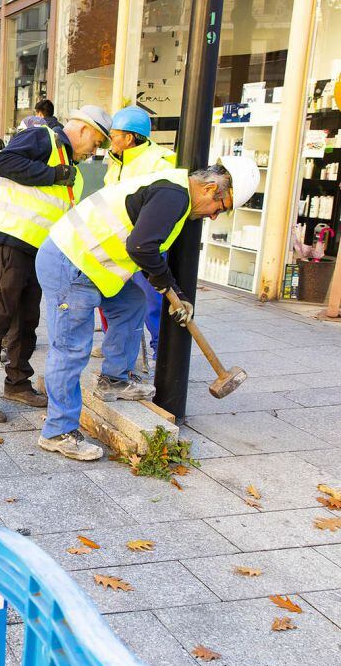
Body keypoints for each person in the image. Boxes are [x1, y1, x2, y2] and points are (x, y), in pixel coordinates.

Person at [34, 155, 259, 460]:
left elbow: (150, 251)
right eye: (221, 207)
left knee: (131, 303)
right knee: (71, 349)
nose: (215, 216)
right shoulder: (173, 195)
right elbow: (141, 247)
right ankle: (57, 431)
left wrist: (177, 294)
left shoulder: (176, 194)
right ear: (210, 189)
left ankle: (114, 378)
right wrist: (169, 288)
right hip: (70, 263)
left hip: (93, 265)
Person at [0, 106, 112, 423]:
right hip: (7, 240)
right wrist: (52, 175)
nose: (95, 150)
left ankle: (17, 382)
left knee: (26, 320)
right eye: (96, 142)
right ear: (83, 129)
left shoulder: (73, 170)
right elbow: (3, 162)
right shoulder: (44, 138)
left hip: (35, 250)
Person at [96, 106, 179, 364]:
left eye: (115, 134)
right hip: (115, 243)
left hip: (145, 245)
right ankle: (116, 347)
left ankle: (159, 354)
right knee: (109, 297)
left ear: (129, 137)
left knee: (151, 302)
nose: (111, 138)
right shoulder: (118, 160)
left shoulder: (160, 160)